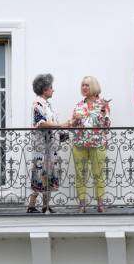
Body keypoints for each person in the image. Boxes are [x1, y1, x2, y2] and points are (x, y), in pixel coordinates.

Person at [70, 76, 111, 213]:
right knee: (81, 175)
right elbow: (72, 125)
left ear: (93, 86)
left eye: (87, 85)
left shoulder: (102, 104)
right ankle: (82, 205)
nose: (84, 87)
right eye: (82, 85)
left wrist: (104, 113)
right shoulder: (79, 105)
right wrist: (74, 120)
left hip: (97, 143)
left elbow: (107, 126)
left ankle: (100, 204)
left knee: (98, 174)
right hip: (80, 144)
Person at [27, 73, 64, 214]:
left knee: (47, 175)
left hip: (50, 146)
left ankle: (45, 206)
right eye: (51, 88)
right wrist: (60, 125)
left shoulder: (47, 105)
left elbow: (52, 123)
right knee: (40, 175)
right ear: (45, 90)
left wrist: (65, 127)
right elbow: (41, 123)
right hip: (42, 147)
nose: (53, 90)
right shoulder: (37, 104)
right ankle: (31, 206)